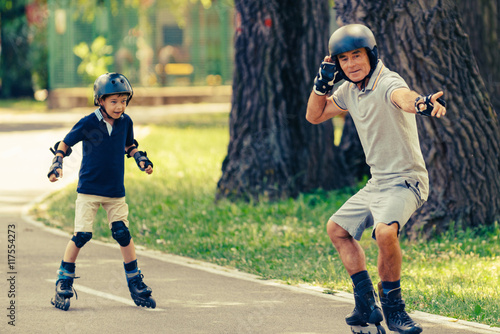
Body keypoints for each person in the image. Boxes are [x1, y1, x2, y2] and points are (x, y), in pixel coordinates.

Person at [306, 24, 446, 334]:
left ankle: (394, 310)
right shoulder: (349, 90)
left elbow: (403, 97)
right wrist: (321, 84)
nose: (351, 64)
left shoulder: (387, 82)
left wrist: (421, 104)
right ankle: (366, 303)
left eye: (356, 56)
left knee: (384, 233)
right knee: (337, 229)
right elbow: (314, 116)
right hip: (378, 182)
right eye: (343, 60)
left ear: (371, 55)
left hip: (407, 181)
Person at [47, 72, 156, 310]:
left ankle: (135, 282)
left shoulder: (126, 122)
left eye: (123, 101)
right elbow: (66, 142)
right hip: (89, 188)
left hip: (115, 190)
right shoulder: (89, 122)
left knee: (122, 233)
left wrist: (139, 159)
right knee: (82, 235)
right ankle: (63, 280)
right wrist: (58, 162)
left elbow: (129, 144)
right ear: (100, 101)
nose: (119, 106)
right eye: (114, 101)